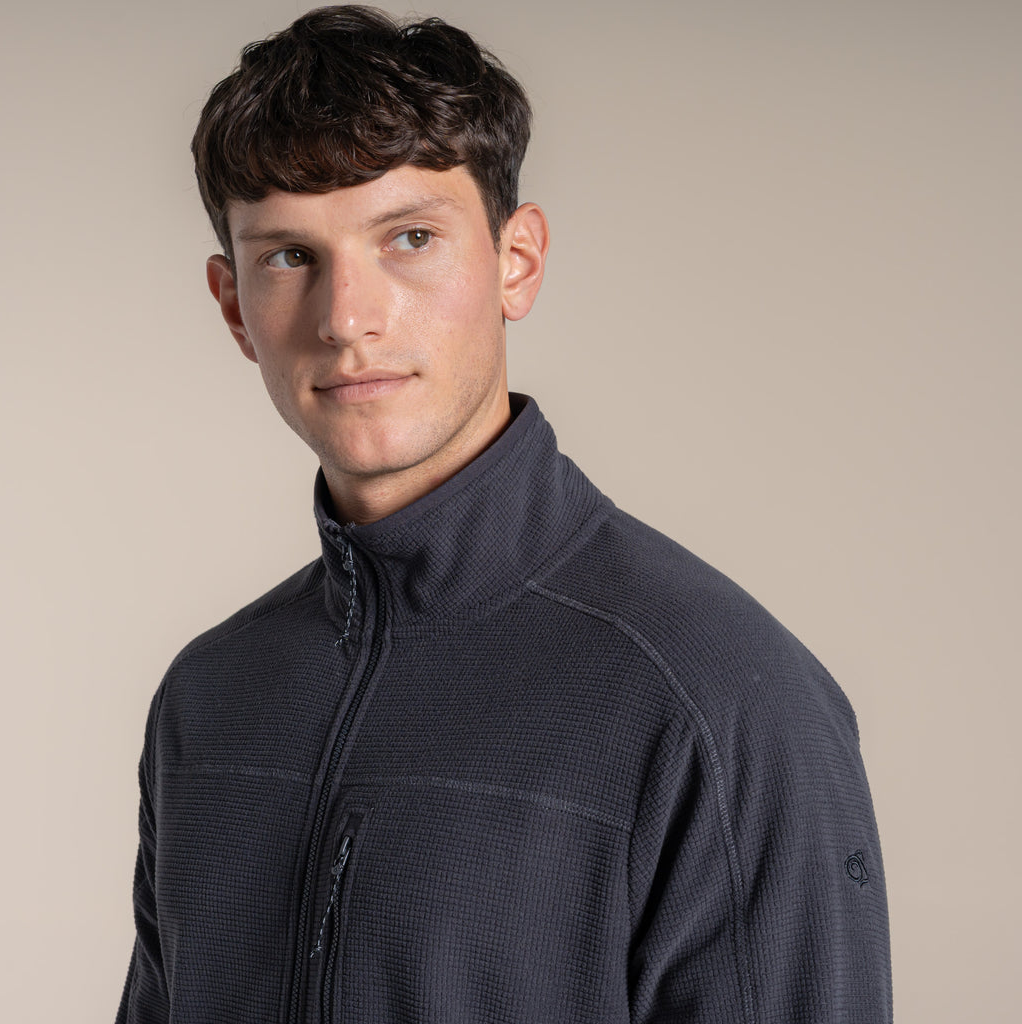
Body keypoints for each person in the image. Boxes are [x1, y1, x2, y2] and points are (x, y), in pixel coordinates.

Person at [117, 6, 892, 1022]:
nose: (347, 318)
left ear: (515, 261)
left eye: (410, 238)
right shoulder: (209, 699)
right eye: (289, 257)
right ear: (233, 306)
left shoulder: (718, 702)